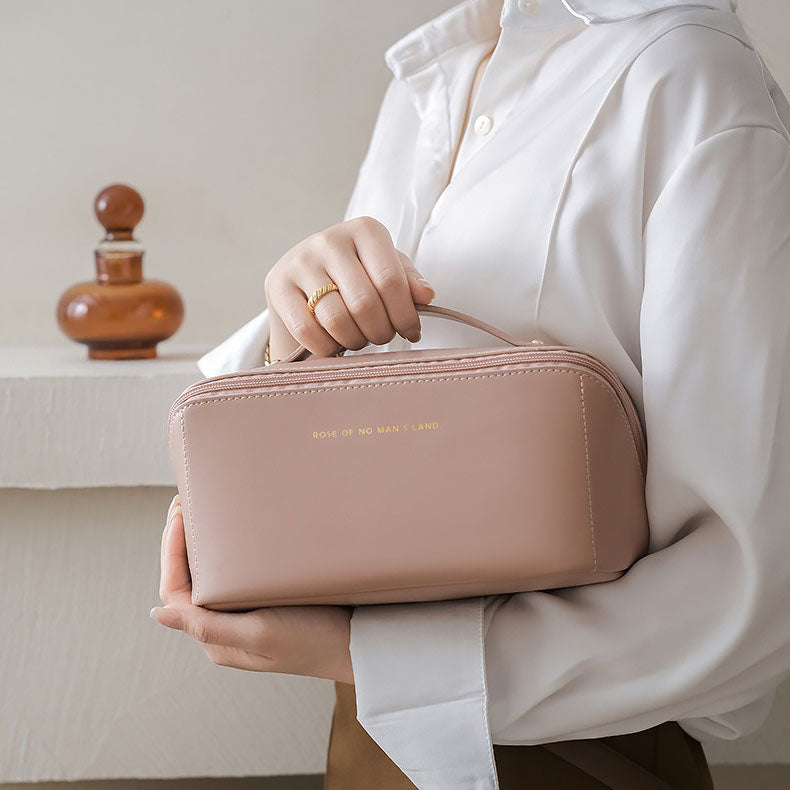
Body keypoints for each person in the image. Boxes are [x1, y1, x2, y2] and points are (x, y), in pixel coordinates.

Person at [150, 1, 790, 787]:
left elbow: (751, 594)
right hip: (364, 740)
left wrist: (363, 656)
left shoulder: (687, 79)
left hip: (572, 761)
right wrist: (298, 324)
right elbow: (394, 435)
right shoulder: (434, 78)